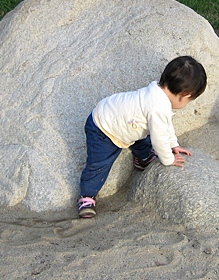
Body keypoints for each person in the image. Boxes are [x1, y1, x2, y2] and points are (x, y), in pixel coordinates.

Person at [77, 55, 207, 218]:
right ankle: (87, 196)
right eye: (190, 100)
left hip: (121, 116)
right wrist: (168, 159)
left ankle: (143, 158)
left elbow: (166, 125)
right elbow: (159, 139)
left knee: (144, 138)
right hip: (103, 127)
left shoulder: (157, 92)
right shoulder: (157, 107)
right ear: (185, 96)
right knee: (99, 163)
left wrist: (174, 144)